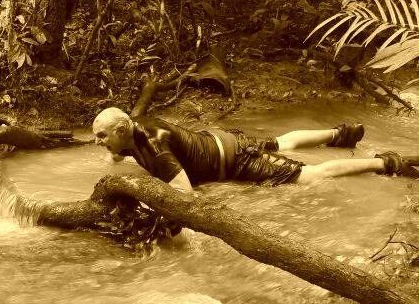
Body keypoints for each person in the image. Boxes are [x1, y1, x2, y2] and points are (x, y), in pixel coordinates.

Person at [92, 107, 416, 192]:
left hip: (236, 160)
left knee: (309, 176)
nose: (98, 142)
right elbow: (116, 155)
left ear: (121, 130)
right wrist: (112, 157)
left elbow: (185, 195)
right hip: (221, 139)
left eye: (102, 136)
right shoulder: (130, 128)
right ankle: (340, 135)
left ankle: (385, 162)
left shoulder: (155, 145)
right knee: (281, 142)